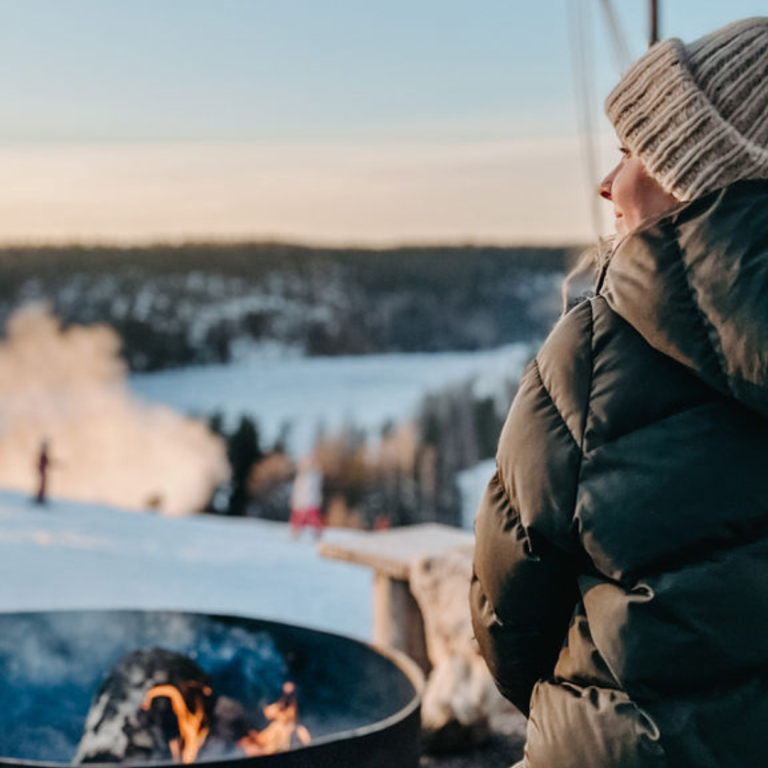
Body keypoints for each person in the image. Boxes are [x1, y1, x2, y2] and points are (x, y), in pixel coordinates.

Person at [470, 17, 768, 768]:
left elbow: (508, 615)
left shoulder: (594, 355)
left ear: (694, 170)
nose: (609, 182)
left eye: (634, 151)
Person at [289, 455, 324, 539]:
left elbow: (317, 489)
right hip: (300, 503)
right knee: (298, 520)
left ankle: (317, 534)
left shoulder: (316, 476)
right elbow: (297, 490)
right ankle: (295, 533)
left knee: (314, 520)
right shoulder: (301, 477)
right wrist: (294, 501)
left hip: (312, 503)